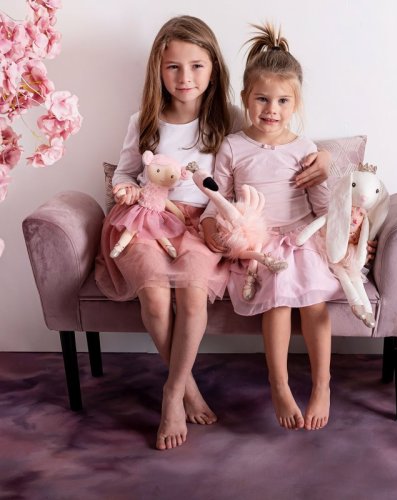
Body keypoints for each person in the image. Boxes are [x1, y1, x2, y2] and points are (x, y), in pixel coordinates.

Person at [95, 16, 333, 450]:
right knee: (154, 297)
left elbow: (278, 138)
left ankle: (173, 388)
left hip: (201, 224)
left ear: (214, 69)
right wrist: (124, 188)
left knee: (192, 294)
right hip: (148, 220)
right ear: (158, 70)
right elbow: (126, 172)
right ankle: (181, 390)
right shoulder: (143, 120)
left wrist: (329, 159)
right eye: (173, 67)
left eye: (196, 66)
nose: (185, 77)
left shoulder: (231, 118)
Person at [201, 23, 343, 431]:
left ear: (295, 103)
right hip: (259, 242)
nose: (271, 109)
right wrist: (211, 225)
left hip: (300, 238)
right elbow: (217, 196)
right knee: (278, 298)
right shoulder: (232, 146)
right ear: (245, 97)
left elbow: (321, 205)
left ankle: (322, 385)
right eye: (262, 98)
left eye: (282, 100)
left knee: (314, 305)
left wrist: (344, 232)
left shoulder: (305, 149)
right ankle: (278, 384)